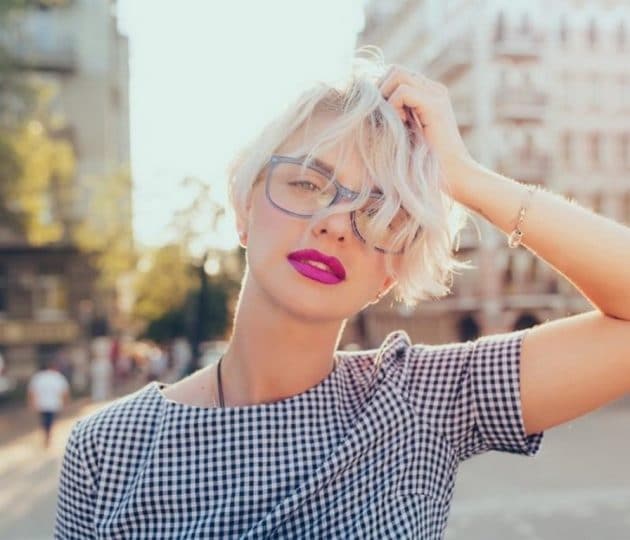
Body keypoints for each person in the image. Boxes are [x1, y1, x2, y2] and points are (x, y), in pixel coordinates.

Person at [54, 48, 630, 539]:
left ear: (392, 272)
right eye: (307, 183)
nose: (334, 223)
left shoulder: (424, 401)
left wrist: (465, 177)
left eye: (378, 211)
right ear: (245, 210)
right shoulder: (109, 449)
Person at [28, 358, 70, 449]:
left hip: (42, 404)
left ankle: (47, 437)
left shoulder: (38, 377)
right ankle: (48, 437)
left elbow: (32, 391)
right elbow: (64, 391)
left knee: (45, 421)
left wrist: (32, 403)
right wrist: (65, 402)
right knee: (50, 421)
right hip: (54, 404)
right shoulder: (58, 376)